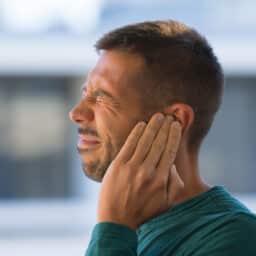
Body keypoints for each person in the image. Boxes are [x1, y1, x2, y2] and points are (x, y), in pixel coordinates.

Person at [69, 20, 256, 255]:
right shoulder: (131, 226)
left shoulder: (236, 238)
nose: (76, 113)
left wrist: (113, 229)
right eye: (86, 93)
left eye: (102, 96)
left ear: (175, 120)